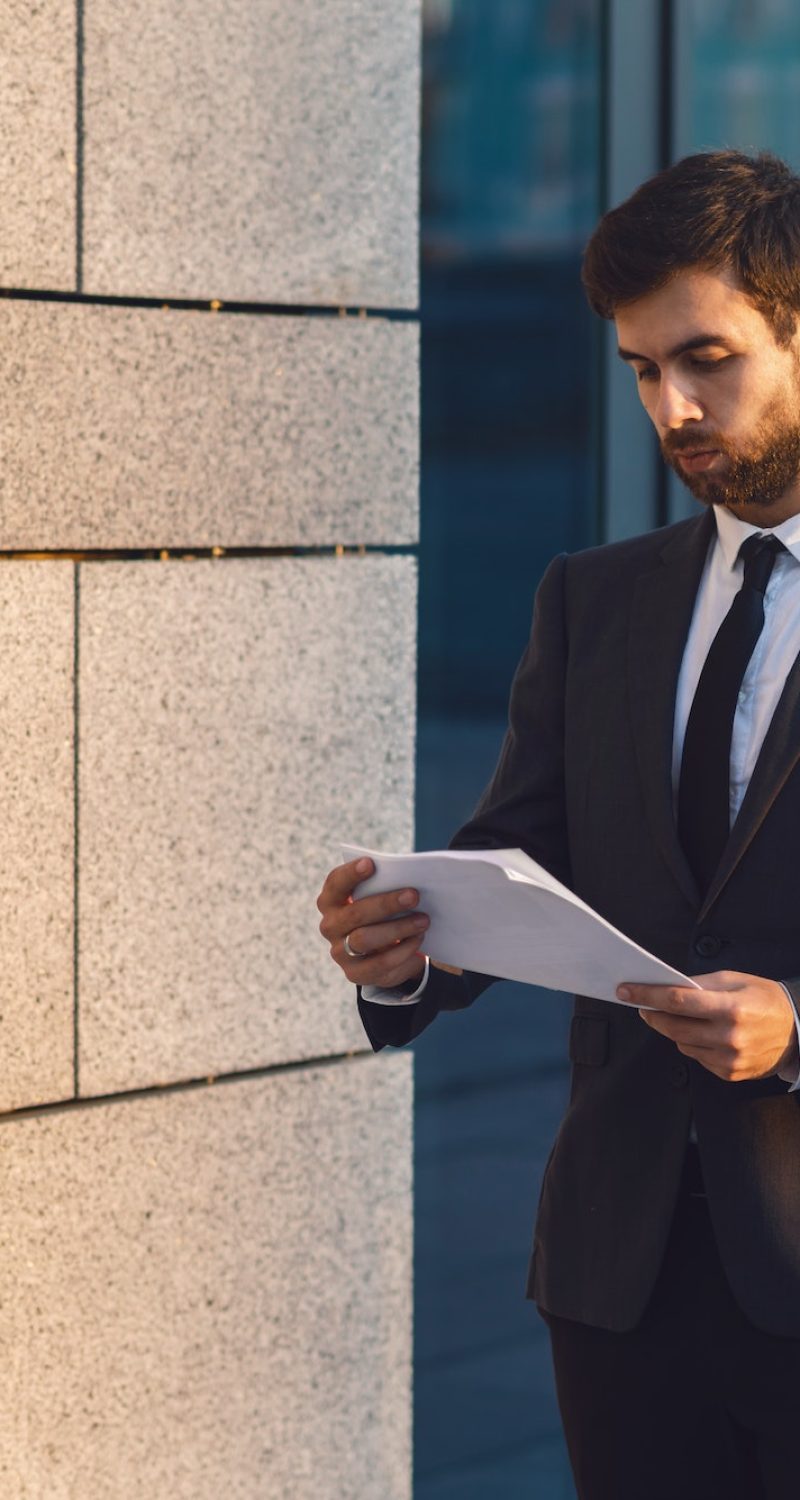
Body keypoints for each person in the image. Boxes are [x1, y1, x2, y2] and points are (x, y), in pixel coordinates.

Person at [316, 150, 800, 1500]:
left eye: (707, 358)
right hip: (620, 1276)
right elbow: (508, 871)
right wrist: (403, 947)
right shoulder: (594, 599)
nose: (674, 406)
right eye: (644, 370)